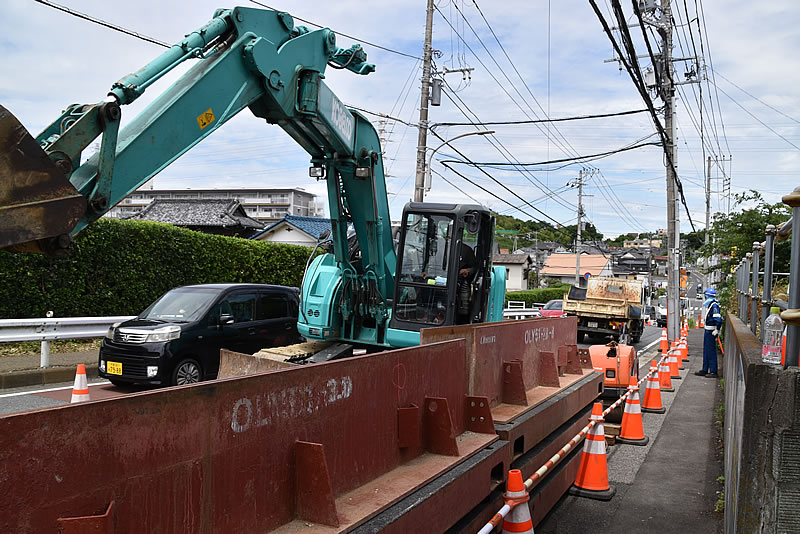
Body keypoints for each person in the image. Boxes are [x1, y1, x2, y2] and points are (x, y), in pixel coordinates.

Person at [695, 287, 723, 378]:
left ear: (708, 296)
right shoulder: (711, 305)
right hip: (708, 330)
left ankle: (713, 371)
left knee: (711, 351)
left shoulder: (714, 306)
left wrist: (717, 329)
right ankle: (705, 369)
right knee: (706, 350)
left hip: (711, 331)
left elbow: (718, 319)